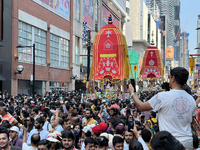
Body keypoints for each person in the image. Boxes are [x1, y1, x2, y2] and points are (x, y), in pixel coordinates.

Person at [129, 67, 196, 150]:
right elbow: (192, 121)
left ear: (173, 78)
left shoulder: (163, 96)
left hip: (168, 143)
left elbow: (141, 107)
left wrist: (132, 93)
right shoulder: (191, 99)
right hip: (187, 141)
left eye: (170, 77)